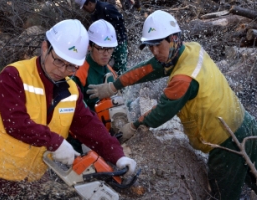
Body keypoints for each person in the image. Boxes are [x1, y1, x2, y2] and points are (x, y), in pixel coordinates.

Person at [86, 10, 257, 200]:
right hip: (246, 123)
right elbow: (148, 68)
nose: (155, 52)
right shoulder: (190, 49)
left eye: (158, 45)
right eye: (151, 47)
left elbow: (162, 112)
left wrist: (134, 126)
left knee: (223, 195)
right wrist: (113, 86)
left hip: (228, 143)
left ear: (174, 38)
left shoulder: (184, 78)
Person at [0, 19, 136, 199]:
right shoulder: (14, 75)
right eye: (59, 61)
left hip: (29, 182)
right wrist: (56, 142)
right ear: (45, 48)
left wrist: (118, 155)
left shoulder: (71, 90)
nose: (62, 70)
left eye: (71, 66)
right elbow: (15, 123)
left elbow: (89, 125)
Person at [73, 19, 118, 111]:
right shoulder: (79, 73)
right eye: (101, 48)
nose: (106, 54)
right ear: (89, 46)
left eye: (109, 49)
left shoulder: (111, 73)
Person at [75, 0, 128, 75]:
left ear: (90, 4)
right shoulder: (94, 13)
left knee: (120, 67)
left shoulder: (106, 8)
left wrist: (108, 34)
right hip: (102, 45)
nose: (84, 10)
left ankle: (120, 84)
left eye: (84, 7)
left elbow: (120, 21)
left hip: (118, 42)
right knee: (103, 64)